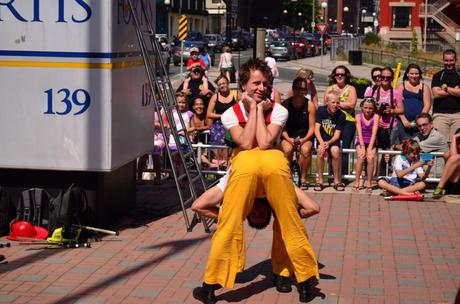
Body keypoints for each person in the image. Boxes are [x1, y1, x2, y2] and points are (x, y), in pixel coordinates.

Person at [193, 58, 319, 304]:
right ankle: (303, 283)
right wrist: (255, 110)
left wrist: (258, 109)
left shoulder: (274, 110)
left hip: (251, 165)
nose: (261, 88)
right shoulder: (233, 112)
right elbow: (250, 141)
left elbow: (255, 143)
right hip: (269, 164)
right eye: (256, 83)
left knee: (228, 226)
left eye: (265, 83)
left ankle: (210, 287)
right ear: (243, 85)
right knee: (290, 222)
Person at [365, 67, 404, 176]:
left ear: (392, 79)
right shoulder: (372, 91)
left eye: (388, 77)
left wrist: (391, 110)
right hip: (373, 126)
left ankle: (382, 176)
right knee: (371, 151)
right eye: (382, 77)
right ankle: (370, 175)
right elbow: (364, 106)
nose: (385, 79)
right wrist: (374, 107)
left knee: (386, 154)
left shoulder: (396, 93)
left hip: (390, 127)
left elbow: (401, 109)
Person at [281, 77, 316, 190]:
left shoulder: (310, 105)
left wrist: (304, 140)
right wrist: (288, 138)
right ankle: (288, 176)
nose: (300, 91)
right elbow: (282, 127)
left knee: (305, 150)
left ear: (306, 90)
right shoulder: (285, 104)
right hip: (288, 135)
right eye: (297, 88)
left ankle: (303, 178)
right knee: (287, 150)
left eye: (303, 89)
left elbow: (312, 128)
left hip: (305, 135)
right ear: (293, 89)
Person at [325, 65, 357, 178]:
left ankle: (343, 175)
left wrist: (335, 103)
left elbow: (352, 104)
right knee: (333, 147)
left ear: (346, 75)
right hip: (333, 120)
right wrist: (343, 104)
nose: (339, 76)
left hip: (348, 121)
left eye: (342, 74)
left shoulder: (351, 88)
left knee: (345, 148)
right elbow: (326, 103)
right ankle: (332, 175)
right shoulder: (330, 88)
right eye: (337, 74)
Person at [314, 92, 345, 191]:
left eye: (337, 102)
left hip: (333, 139)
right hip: (322, 138)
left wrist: (329, 142)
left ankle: (336, 180)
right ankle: (320, 180)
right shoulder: (321, 111)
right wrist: (322, 142)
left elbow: (337, 134)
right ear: (327, 102)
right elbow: (316, 129)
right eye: (333, 102)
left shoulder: (341, 115)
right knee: (320, 151)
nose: (335, 105)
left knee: (335, 151)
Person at [207, 75, 239, 165]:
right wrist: (222, 116)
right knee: (217, 139)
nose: (222, 85)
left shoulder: (235, 94)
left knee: (230, 143)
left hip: (232, 123)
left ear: (228, 83)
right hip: (218, 124)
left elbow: (243, 108)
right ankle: (219, 163)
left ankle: (227, 163)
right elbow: (209, 114)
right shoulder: (215, 97)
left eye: (223, 83)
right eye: (219, 84)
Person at [396, 63, 432, 141]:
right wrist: (403, 119)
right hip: (402, 121)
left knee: (416, 144)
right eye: (412, 74)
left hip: (419, 124)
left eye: (416, 74)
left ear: (420, 75)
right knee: (404, 143)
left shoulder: (424, 87)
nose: (414, 76)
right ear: (407, 74)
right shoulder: (401, 86)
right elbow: (396, 104)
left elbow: (427, 104)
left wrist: (419, 119)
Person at [431, 49, 460, 141]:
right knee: (440, 143)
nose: (449, 63)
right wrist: (454, 90)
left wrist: (446, 88)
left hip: (458, 115)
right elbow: (436, 94)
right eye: (446, 60)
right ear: (443, 60)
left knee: (455, 145)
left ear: (455, 60)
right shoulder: (437, 76)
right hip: (440, 115)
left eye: (451, 60)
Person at [353, 97, 379, 193]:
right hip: (361, 140)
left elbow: (374, 133)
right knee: (361, 156)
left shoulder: (376, 117)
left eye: (370, 108)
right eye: (366, 108)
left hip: (371, 140)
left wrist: (370, 147)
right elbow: (359, 132)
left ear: (374, 109)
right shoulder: (358, 116)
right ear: (361, 107)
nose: (368, 110)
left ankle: (369, 182)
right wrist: (363, 147)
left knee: (370, 157)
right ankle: (357, 182)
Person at [433, 128, 460, 198]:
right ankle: (439, 188)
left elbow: (454, 157)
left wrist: (454, 137)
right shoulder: (451, 152)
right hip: (452, 185)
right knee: (447, 154)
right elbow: (453, 156)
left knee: (455, 157)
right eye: (459, 139)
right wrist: (454, 138)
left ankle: (439, 187)